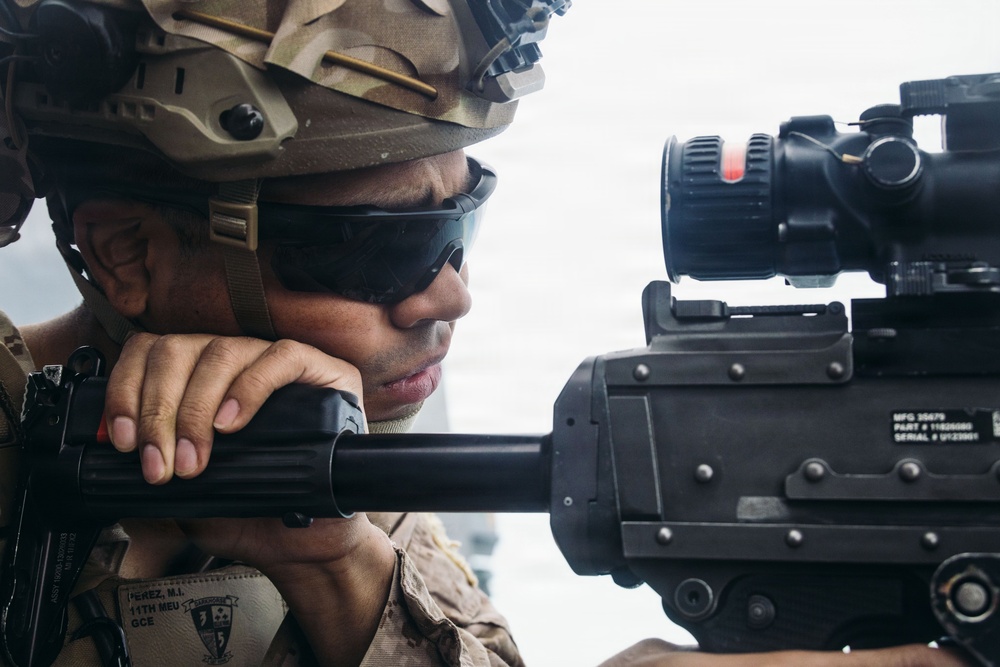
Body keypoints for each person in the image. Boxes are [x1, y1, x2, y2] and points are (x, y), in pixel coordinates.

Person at [0, 1, 977, 666]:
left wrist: (335, 566)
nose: (447, 297)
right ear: (126, 252)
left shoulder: (360, 506)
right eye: (379, 250)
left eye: (459, 226)